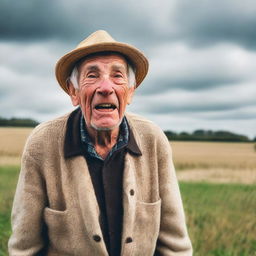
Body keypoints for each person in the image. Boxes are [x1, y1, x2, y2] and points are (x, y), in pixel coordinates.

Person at [8, 30, 192, 256]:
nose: (106, 88)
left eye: (117, 76)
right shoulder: (42, 144)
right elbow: (24, 248)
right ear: (73, 92)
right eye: (92, 75)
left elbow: (175, 247)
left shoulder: (153, 140)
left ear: (130, 92)